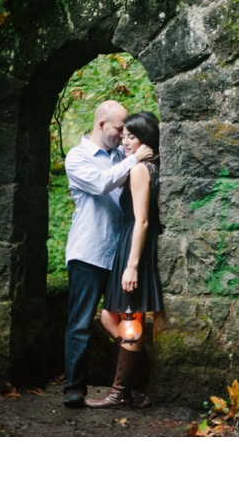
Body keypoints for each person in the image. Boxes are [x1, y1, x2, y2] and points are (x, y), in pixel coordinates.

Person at [63, 100, 153, 408]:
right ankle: (74, 389)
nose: (123, 135)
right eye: (118, 129)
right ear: (102, 124)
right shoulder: (77, 157)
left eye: (128, 131)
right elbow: (102, 184)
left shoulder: (121, 154)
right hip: (88, 252)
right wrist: (134, 160)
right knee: (81, 322)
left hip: (119, 254)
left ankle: (127, 387)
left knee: (124, 320)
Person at [86, 112, 164, 408]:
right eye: (125, 135)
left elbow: (142, 221)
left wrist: (132, 265)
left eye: (132, 136)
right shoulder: (149, 165)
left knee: (129, 318)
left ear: (145, 138)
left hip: (136, 244)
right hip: (130, 242)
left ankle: (120, 392)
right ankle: (138, 383)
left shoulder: (141, 170)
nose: (125, 141)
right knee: (111, 317)